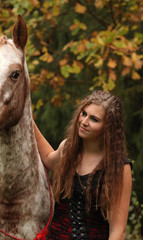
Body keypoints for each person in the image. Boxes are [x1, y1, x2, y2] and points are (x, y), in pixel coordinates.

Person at [33, 90, 132, 240]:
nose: (84, 122)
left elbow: (117, 231)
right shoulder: (68, 149)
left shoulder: (119, 168)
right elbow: (48, 158)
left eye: (94, 119)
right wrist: (27, 120)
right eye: (84, 113)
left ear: (108, 127)